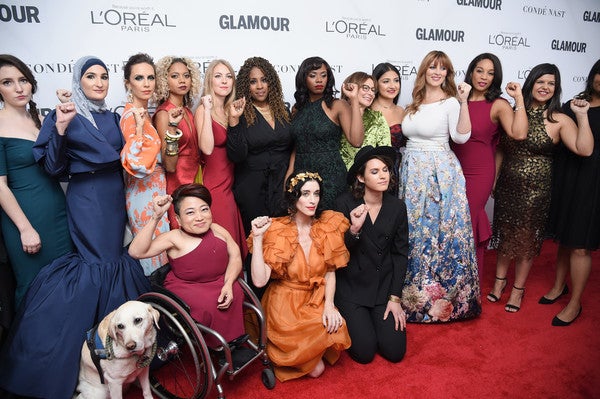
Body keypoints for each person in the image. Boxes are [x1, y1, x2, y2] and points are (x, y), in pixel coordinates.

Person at [0, 56, 150, 399]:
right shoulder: (60, 114)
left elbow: (133, 158)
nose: (98, 82)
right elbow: (52, 166)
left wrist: (141, 130)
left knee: (114, 262)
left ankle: (127, 354)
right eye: (90, 76)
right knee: (95, 268)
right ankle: (81, 358)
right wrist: (63, 128)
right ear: (77, 80)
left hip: (115, 195)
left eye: (103, 76)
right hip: (86, 197)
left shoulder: (114, 117)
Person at [490, 63, 593, 313]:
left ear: (556, 89)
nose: (545, 87)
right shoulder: (515, 110)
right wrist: (494, 179)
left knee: (526, 240)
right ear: (531, 83)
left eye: (551, 84)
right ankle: (498, 282)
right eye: (541, 82)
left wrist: (582, 116)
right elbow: (502, 148)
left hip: (537, 190)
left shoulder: (559, 119)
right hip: (507, 185)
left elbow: (585, 149)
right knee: (504, 235)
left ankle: (518, 290)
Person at [399, 50, 481, 323]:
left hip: (439, 173)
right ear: (424, 70)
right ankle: (413, 302)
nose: (437, 72)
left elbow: (461, 136)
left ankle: (446, 303)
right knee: (414, 233)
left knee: (440, 235)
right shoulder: (415, 101)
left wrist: (464, 101)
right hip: (412, 172)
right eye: (432, 67)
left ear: (447, 74)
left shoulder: (451, 103)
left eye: (442, 68)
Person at [248, 171, 351, 381]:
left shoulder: (327, 225)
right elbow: (259, 281)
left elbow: (330, 271)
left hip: (314, 300)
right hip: (284, 304)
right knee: (316, 370)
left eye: (316, 193)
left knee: (335, 326)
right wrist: (258, 239)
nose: (312, 200)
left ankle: (305, 352)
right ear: (293, 196)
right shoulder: (276, 230)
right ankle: (286, 352)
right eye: (305, 194)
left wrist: (329, 305)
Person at [129, 183, 245, 345]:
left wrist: (228, 283)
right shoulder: (174, 237)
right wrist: (156, 217)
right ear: (178, 219)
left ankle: (232, 339)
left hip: (220, 281)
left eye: (204, 209)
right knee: (210, 302)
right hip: (189, 287)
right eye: (190, 212)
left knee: (237, 290)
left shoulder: (217, 229)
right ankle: (217, 344)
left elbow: (235, 256)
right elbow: (136, 252)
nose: (199, 217)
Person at [0, 54, 73, 307]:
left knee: (66, 284)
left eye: (23, 80)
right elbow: (0, 186)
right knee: (33, 289)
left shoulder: (41, 121)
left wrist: (61, 127)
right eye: (7, 82)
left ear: (32, 82)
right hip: (25, 220)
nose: (19, 88)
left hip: (58, 214)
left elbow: (58, 167)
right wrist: (25, 229)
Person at [451, 53, 528, 279]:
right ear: (471, 71)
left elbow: (519, 133)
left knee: (470, 220)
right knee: (452, 221)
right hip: (452, 169)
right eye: (480, 70)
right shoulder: (457, 100)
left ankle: (469, 282)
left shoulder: (498, 104)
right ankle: (450, 278)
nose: (484, 77)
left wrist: (519, 99)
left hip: (479, 172)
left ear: (496, 78)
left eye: (491, 73)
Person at [334, 145, 408, 364]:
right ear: (361, 177)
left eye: (385, 170)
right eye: (375, 172)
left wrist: (395, 298)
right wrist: (354, 230)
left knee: (395, 352)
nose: (383, 175)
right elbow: (336, 253)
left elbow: (400, 254)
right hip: (352, 288)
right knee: (365, 353)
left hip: (382, 289)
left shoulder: (397, 207)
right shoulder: (344, 203)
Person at [542, 59, 600, 326]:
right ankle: (558, 286)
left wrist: (582, 116)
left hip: (592, 183)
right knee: (564, 238)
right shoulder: (573, 103)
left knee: (579, 245)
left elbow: (587, 149)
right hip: (566, 178)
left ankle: (575, 303)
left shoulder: (582, 110)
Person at [227, 56, 293, 234]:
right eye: (253, 82)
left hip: (281, 183)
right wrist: (233, 120)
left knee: (282, 239)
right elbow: (236, 155)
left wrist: (289, 176)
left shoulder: (282, 110)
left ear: (271, 81)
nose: (259, 86)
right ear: (245, 86)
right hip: (252, 186)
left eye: (264, 80)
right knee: (257, 240)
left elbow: (292, 147)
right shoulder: (240, 111)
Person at [288, 56, 364, 210]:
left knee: (331, 225)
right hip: (302, 175)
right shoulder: (297, 109)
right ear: (303, 78)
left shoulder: (337, 105)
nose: (319, 80)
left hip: (331, 176)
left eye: (323, 75)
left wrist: (354, 100)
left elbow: (356, 141)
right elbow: (296, 148)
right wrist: (288, 177)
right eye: (312, 75)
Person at [120, 53, 169, 274]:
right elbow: (135, 164)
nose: (147, 83)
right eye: (139, 78)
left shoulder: (143, 114)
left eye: (150, 77)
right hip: (143, 195)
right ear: (127, 83)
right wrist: (139, 131)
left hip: (154, 193)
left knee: (159, 254)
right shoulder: (131, 116)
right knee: (151, 259)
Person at [196, 59, 247, 257]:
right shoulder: (203, 110)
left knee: (233, 248)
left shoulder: (230, 110)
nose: (224, 81)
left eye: (228, 76)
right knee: (223, 248)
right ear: (210, 80)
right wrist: (208, 110)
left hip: (230, 187)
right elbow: (207, 148)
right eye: (218, 76)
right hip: (214, 189)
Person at [154, 56, 203, 228]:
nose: (182, 80)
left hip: (194, 182)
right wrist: (173, 127)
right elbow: (169, 165)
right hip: (178, 186)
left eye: (186, 75)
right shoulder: (163, 114)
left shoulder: (188, 112)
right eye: (174, 76)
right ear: (164, 81)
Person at [339, 72, 391, 169]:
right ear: (351, 88)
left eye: (373, 90)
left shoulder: (377, 118)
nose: (371, 93)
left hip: (367, 176)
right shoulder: (338, 115)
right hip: (338, 173)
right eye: (365, 88)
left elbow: (385, 152)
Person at [370, 63, 406, 188]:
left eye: (396, 81)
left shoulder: (402, 111)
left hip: (396, 170)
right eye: (386, 81)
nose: (392, 86)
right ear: (376, 84)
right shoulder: (367, 110)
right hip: (372, 171)